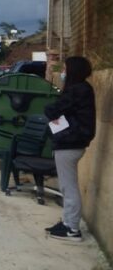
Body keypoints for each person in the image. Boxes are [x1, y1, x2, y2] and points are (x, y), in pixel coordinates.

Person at [43, 56, 96, 242]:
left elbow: (53, 110)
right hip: (72, 142)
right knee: (67, 185)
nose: (62, 72)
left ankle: (72, 228)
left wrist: (52, 112)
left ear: (72, 71)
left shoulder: (77, 90)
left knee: (68, 186)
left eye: (65, 69)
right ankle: (67, 222)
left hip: (70, 143)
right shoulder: (83, 89)